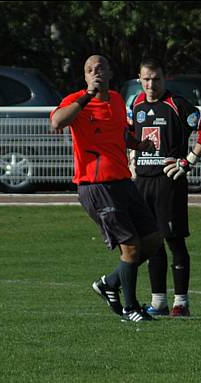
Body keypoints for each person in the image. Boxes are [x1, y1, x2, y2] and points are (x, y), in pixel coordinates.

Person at [50, 55, 162, 322]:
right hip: (96, 185)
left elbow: (121, 134)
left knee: (153, 239)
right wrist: (86, 96)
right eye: (90, 70)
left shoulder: (115, 99)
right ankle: (130, 308)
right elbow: (57, 121)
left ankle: (109, 283)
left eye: (100, 68)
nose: (95, 73)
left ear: (110, 72)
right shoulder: (77, 101)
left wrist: (139, 145)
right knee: (131, 247)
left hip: (123, 181)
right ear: (85, 77)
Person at [129, 57, 201, 317]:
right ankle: (158, 301)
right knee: (150, 241)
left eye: (155, 79)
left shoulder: (177, 104)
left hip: (169, 182)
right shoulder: (135, 105)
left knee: (174, 241)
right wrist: (130, 160)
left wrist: (189, 161)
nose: (150, 84)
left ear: (164, 78)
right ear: (139, 80)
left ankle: (181, 303)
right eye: (146, 79)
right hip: (142, 183)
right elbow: (127, 134)